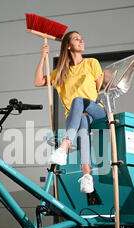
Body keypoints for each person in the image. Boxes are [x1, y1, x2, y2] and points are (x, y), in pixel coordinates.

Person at [34, 31, 106, 194]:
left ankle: (64, 148)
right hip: (78, 118)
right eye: (76, 39)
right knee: (80, 122)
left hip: (95, 110)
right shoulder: (61, 73)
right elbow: (38, 81)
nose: (81, 40)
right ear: (68, 46)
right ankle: (87, 176)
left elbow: (99, 88)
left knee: (78, 101)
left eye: (81, 38)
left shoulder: (91, 63)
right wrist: (43, 57)